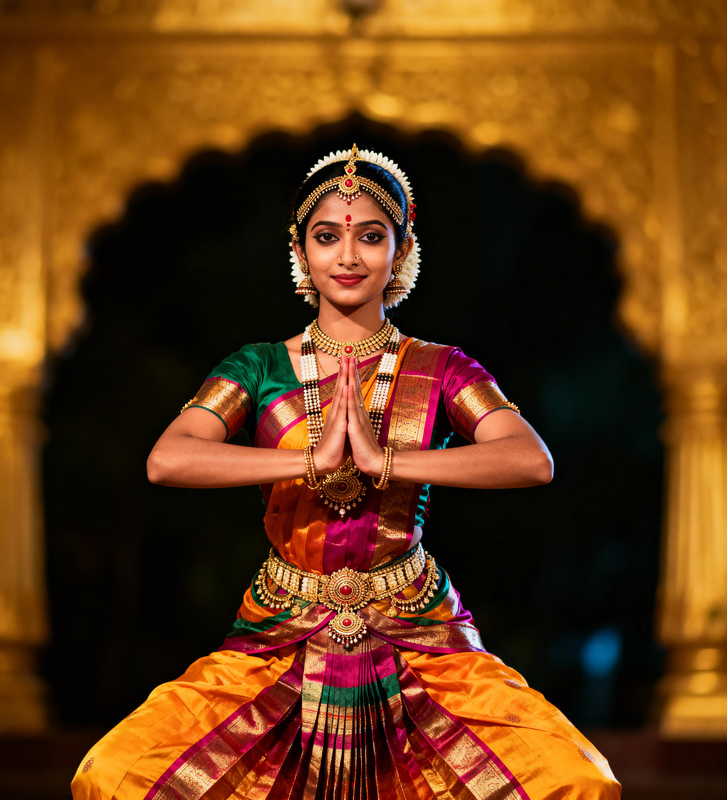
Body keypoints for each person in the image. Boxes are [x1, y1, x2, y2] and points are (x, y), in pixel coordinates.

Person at [72, 144, 621, 799]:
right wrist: (309, 461)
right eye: (327, 237)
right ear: (301, 251)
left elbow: (530, 459)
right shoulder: (258, 367)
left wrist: (384, 462)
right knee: (114, 779)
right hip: (280, 632)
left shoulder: (440, 367)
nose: (349, 256)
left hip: (418, 631)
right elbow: (169, 458)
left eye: (370, 236)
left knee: (573, 783)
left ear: (401, 249)